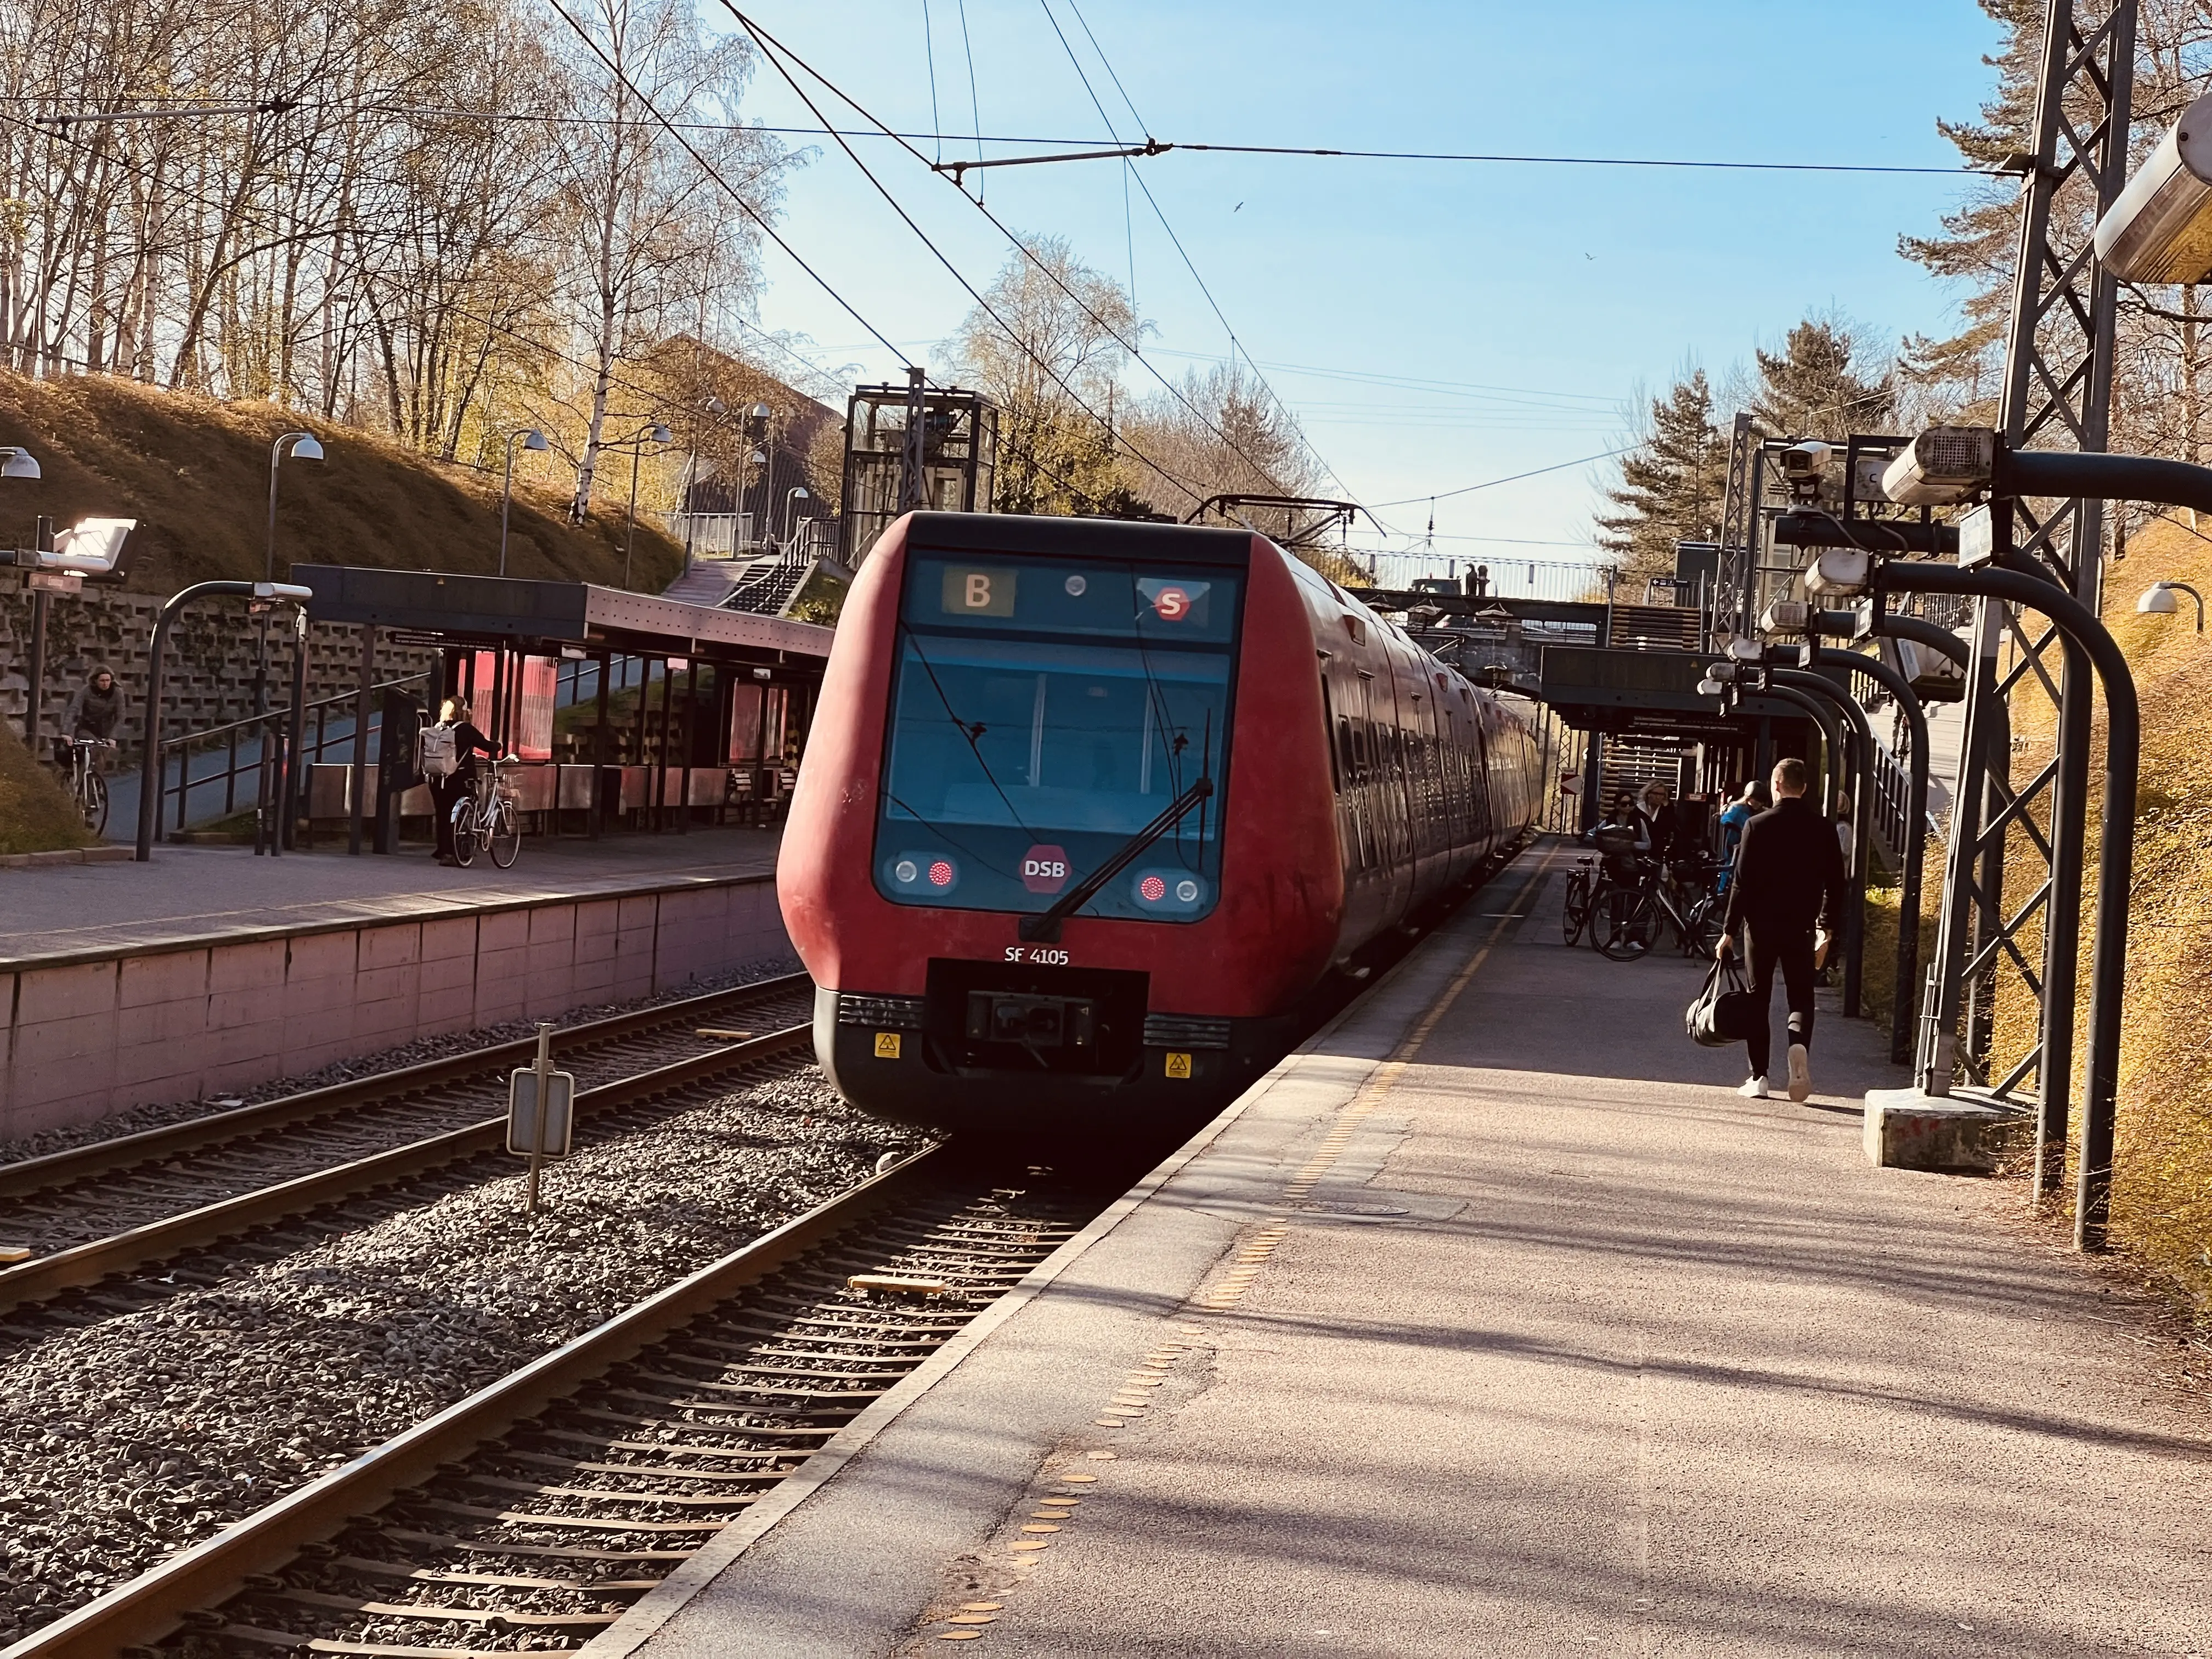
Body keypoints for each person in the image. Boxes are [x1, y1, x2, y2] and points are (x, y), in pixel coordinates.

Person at [1716, 757, 1846, 1103]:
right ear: (1804, 788)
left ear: (1775, 785)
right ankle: (1798, 1047)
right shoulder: (1823, 828)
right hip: (1801, 927)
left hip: (1760, 927)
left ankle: (1759, 1077)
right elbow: (1836, 884)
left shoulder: (1757, 826)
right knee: (1801, 997)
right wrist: (1827, 926)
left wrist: (1728, 930)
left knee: (1758, 998)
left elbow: (1741, 884)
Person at [425, 697, 498, 866]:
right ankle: (455, 852)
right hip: (461, 778)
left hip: (438, 779)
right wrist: (498, 746)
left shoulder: (438, 728)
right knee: (460, 815)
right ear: (464, 711)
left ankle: (443, 850)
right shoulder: (466, 729)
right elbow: (487, 746)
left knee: (443, 815)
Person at [1714, 778, 1770, 896]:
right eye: (1758, 800)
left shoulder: (1749, 810)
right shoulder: (1739, 811)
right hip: (1734, 857)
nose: (1760, 804)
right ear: (1749, 798)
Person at [1635, 782, 1676, 864]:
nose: (1658, 797)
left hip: (1658, 852)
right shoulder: (1638, 809)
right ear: (1649, 794)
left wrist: (1667, 808)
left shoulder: (1665, 810)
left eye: (1662, 795)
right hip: (1640, 850)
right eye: (1655, 793)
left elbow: (1670, 827)